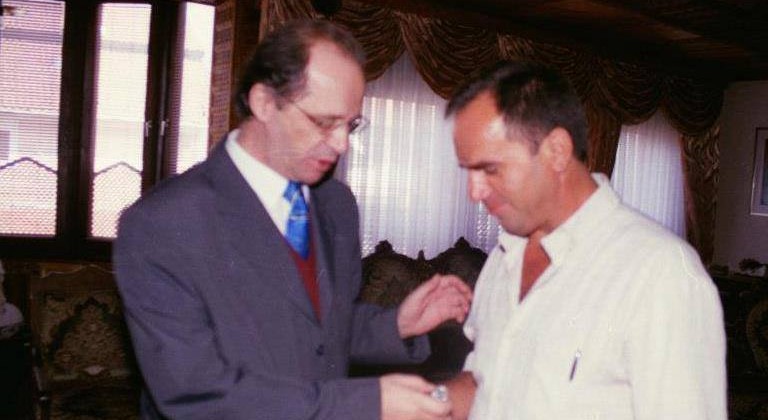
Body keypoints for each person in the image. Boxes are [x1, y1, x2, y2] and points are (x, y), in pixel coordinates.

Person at [113, 19, 472, 420]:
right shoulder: (163, 223)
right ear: (264, 102)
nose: (342, 144)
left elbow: (318, 332)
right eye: (324, 122)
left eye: (351, 124)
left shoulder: (336, 205)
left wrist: (397, 325)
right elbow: (194, 395)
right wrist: (366, 403)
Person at [443, 61, 727, 419]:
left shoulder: (661, 273)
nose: (474, 192)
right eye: (468, 171)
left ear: (557, 150)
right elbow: (487, 383)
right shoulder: (504, 257)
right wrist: (425, 401)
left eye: (490, 169)